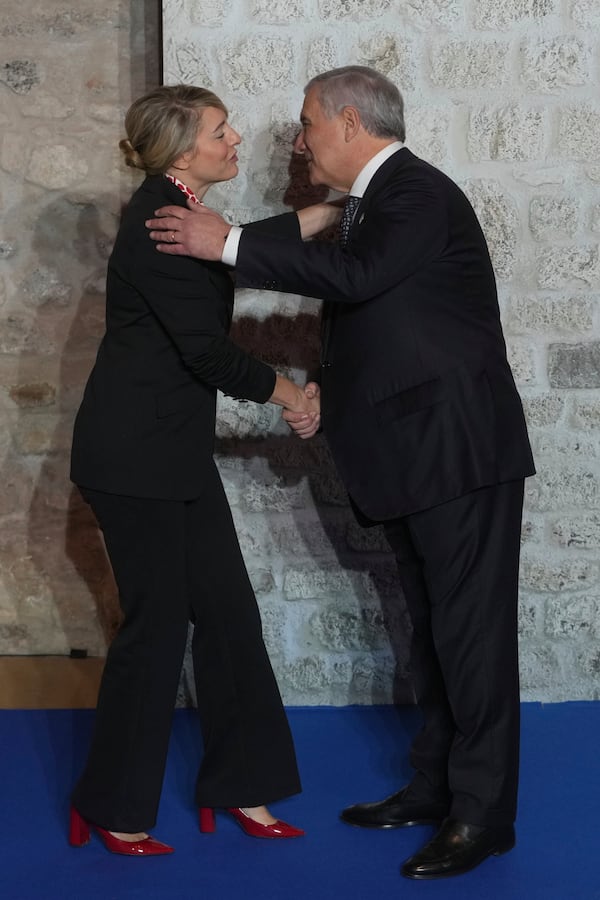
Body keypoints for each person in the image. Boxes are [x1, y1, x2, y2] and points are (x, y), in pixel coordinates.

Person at [145, 66, 536, 880]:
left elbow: (356, 279)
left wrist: (231, 244)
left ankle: (483, 817)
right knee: (433, 637)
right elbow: (368, 308)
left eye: (307, 124)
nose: (299, 141)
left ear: (351, 122)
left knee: (473, 640)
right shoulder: (372, 203)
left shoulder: (418, 194)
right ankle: (436, 787)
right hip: (415, 452)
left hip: (457, 453)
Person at [68, 84, 338, 857]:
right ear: (186, 151)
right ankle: (112, 805)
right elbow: (206, 351)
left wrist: (322, 217)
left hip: (171, 453)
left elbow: (229, 241)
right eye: (222, 130)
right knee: (158, 630)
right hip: (131, 458)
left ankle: (242, 785)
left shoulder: (178, 204)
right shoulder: (158, 219)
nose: (236, 137)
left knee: (226, 614)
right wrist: (290, 394)